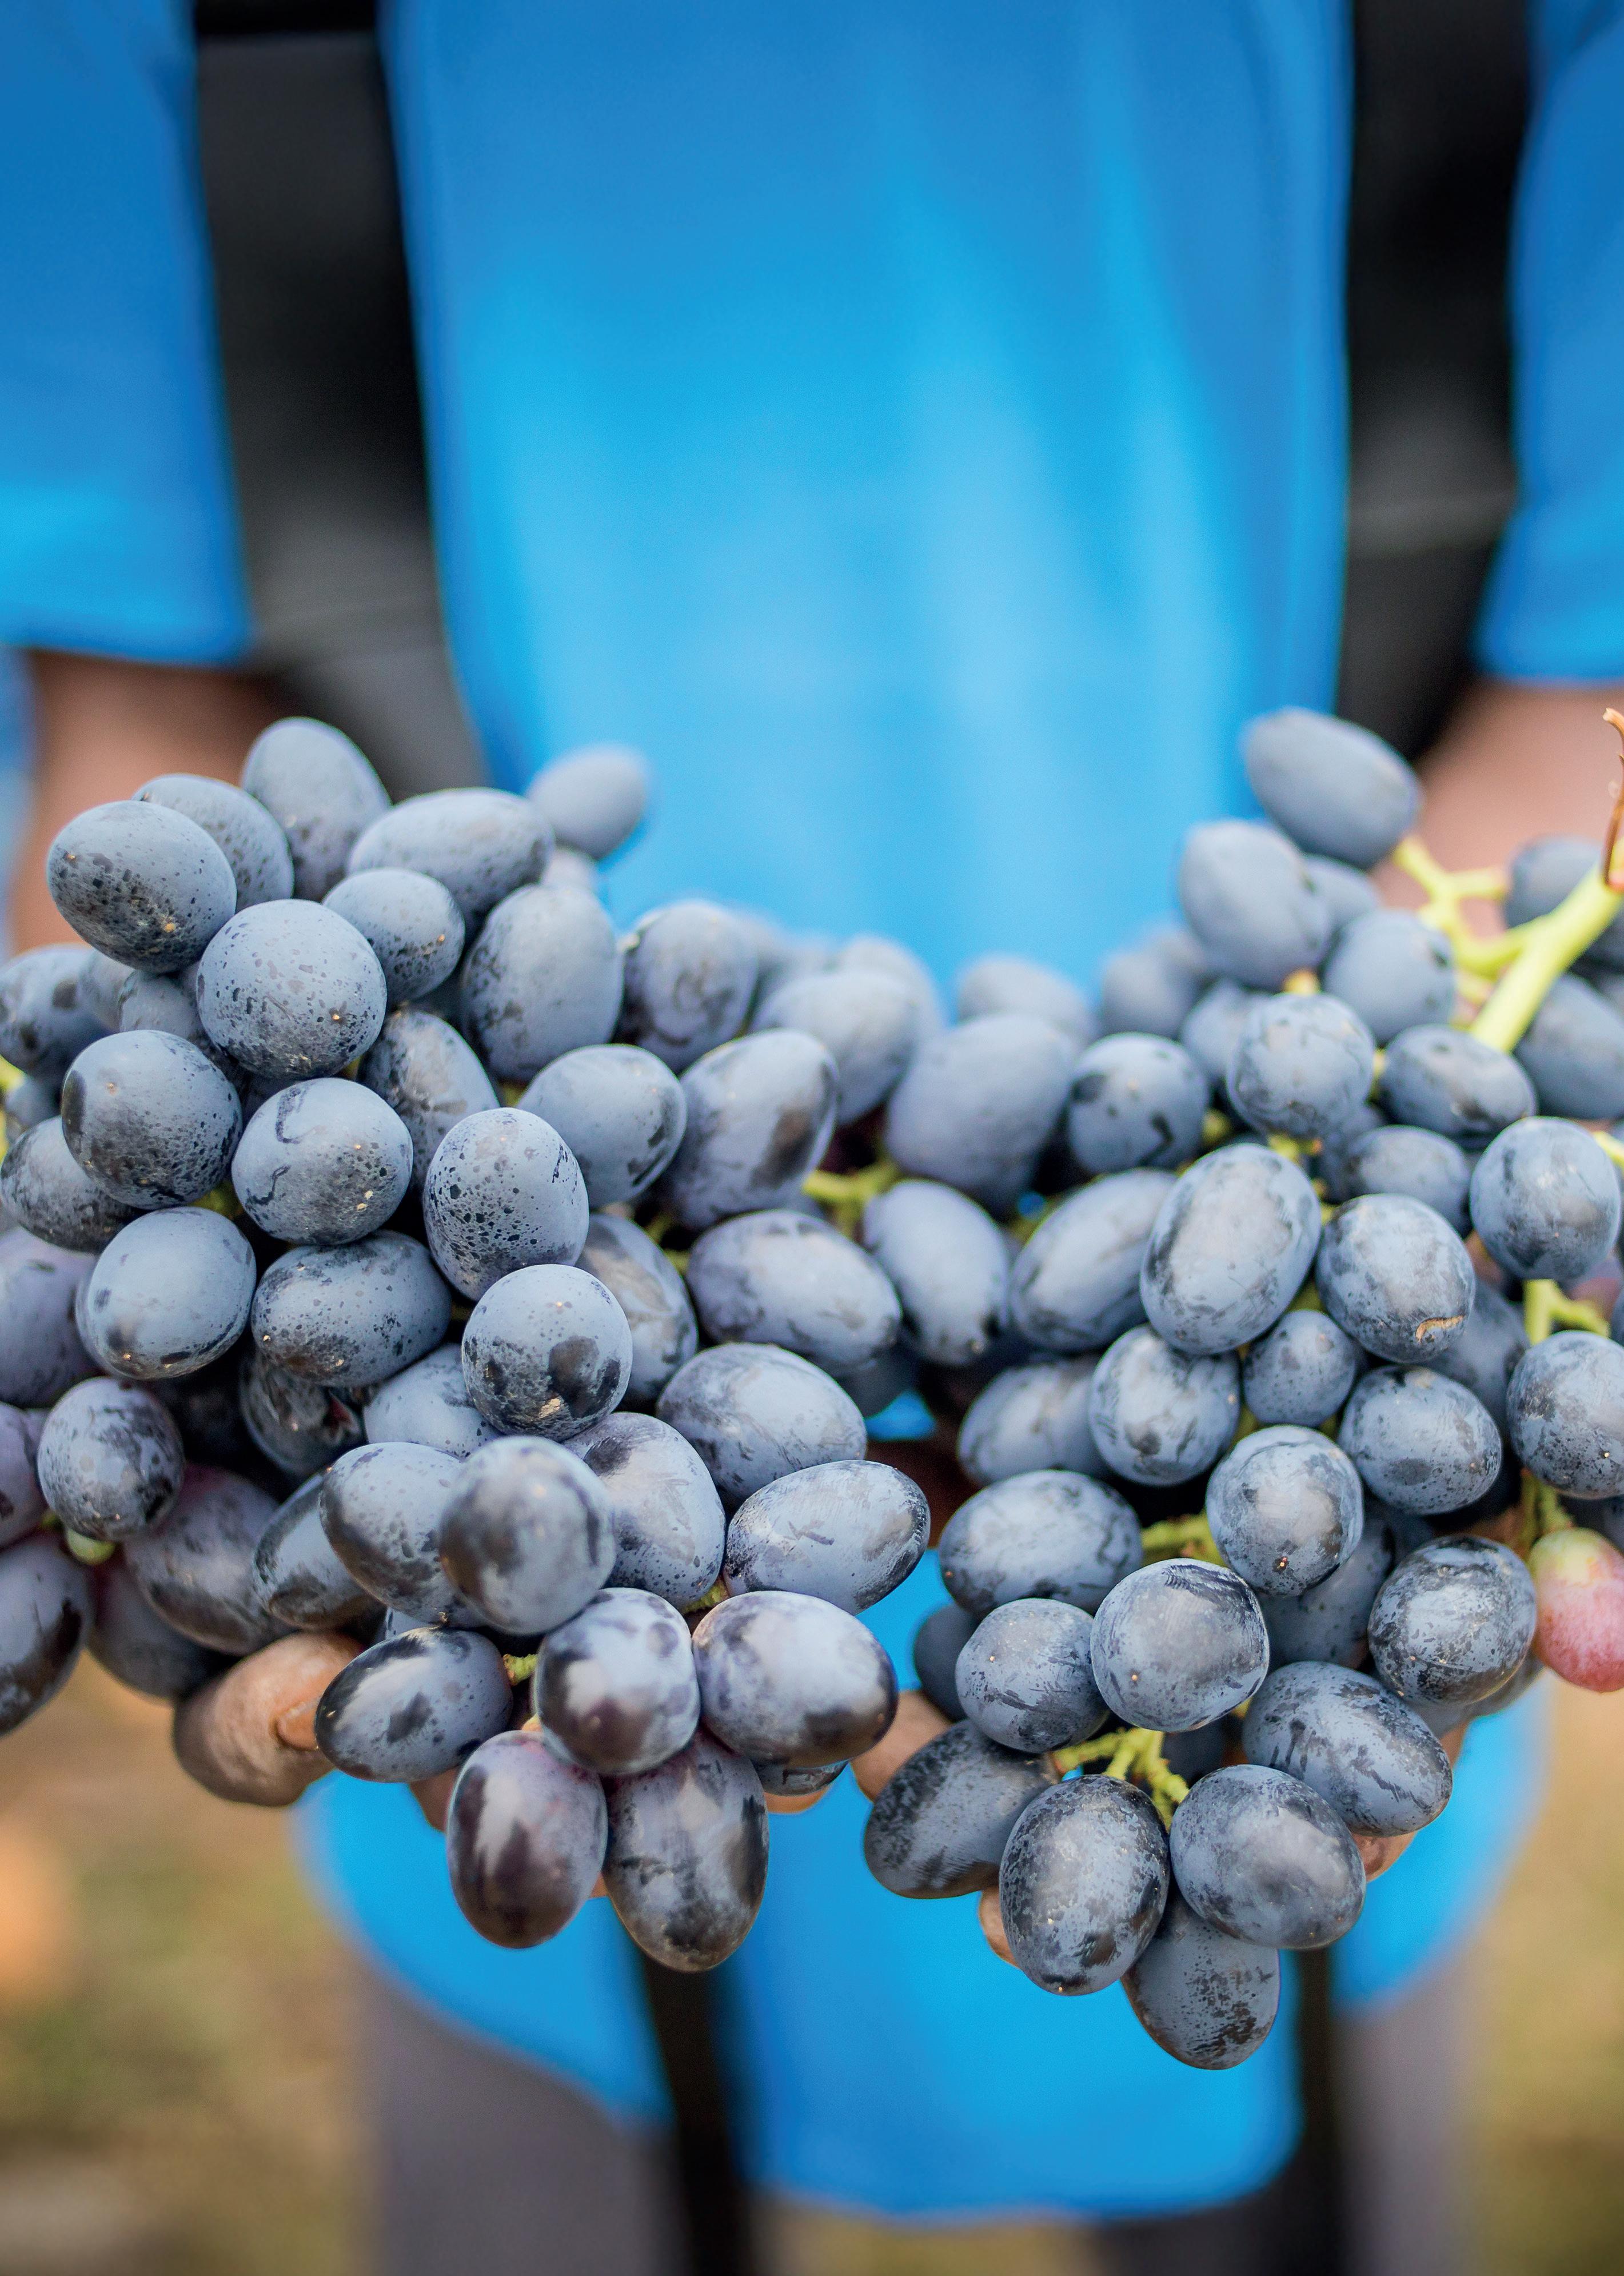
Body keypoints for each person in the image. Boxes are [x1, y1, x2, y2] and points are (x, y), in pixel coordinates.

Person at [3, 6, 1622, 2272]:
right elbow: (137, 763)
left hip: (1251, 1513)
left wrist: (1487, 1110)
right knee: (538, 2072)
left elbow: (1587, 707)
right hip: (472, 1549)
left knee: (1278, 2036)